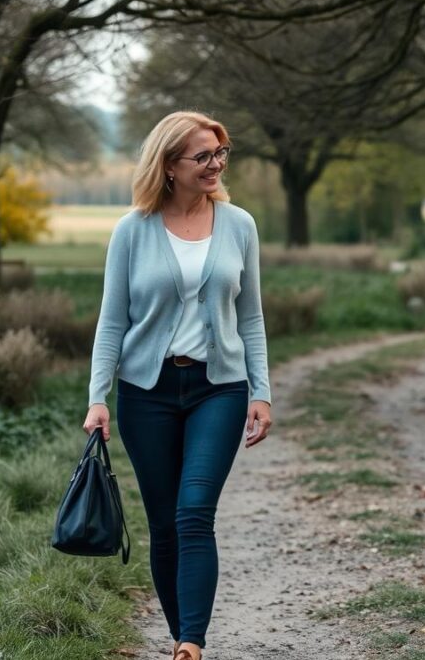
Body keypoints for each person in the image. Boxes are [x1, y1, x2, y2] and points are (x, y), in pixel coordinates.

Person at [83, 110, 272, 660]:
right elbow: (111, 321)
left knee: (194, 512)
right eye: (203, 156)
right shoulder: (132, 230)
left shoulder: (239, 225)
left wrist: (260, 391)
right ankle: (178, 635)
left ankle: (192, 642)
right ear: (169, 165)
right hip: (147, 393)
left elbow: (252, 318)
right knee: (164, 524)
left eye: (221, 153)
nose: (216, 164)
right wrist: (98, 398)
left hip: (219, 387)